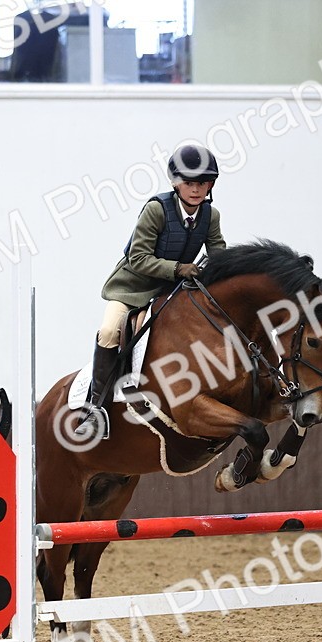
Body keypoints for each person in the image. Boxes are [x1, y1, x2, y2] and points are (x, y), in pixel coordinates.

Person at [75, 143, 227, 438]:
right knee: (108, 332)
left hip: (172, 290)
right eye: (189, 183)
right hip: (133, 287)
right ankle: (95, 410)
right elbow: (139, 258)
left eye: (203, 183)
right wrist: (179, 268)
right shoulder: (157, 210)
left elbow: (218, 252)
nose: (196, 189)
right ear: (176, 183)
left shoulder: (211, 216)